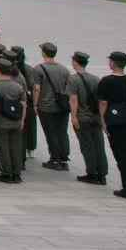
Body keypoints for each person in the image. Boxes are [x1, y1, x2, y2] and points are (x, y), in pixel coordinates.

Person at [96, 50, 126, 200]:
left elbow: (103, 103)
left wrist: (103, 122)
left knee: (122, 156)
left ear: (112, 63)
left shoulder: (106, 81)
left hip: (116, 124)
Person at [67, 51, 109, 185]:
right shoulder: (96, 79)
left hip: (82, 117)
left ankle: (92, 173)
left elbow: (73, 99)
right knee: (99, 146)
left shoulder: (73, 79)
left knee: (87, 146)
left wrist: (73, 117)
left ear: (75, 62)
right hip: (95, 117)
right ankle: (102, 174)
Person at [32, 41, 72, 171]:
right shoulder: (64, 70)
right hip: (62, 107)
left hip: (46, 106)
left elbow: (37, 88)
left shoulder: (39, 69)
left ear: (43, 53)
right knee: (62, 132)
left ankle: (54, 159)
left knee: (51, 133)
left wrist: (35, 104)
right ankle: (64, 158)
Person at [0, 59, 27, 184]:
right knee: (16, 147)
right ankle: (17, 173)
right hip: (16, 120)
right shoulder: (18, 86)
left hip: (0, 121)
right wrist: (22, 120)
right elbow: (23, 105)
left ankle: (6, 173)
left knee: (4, 148)